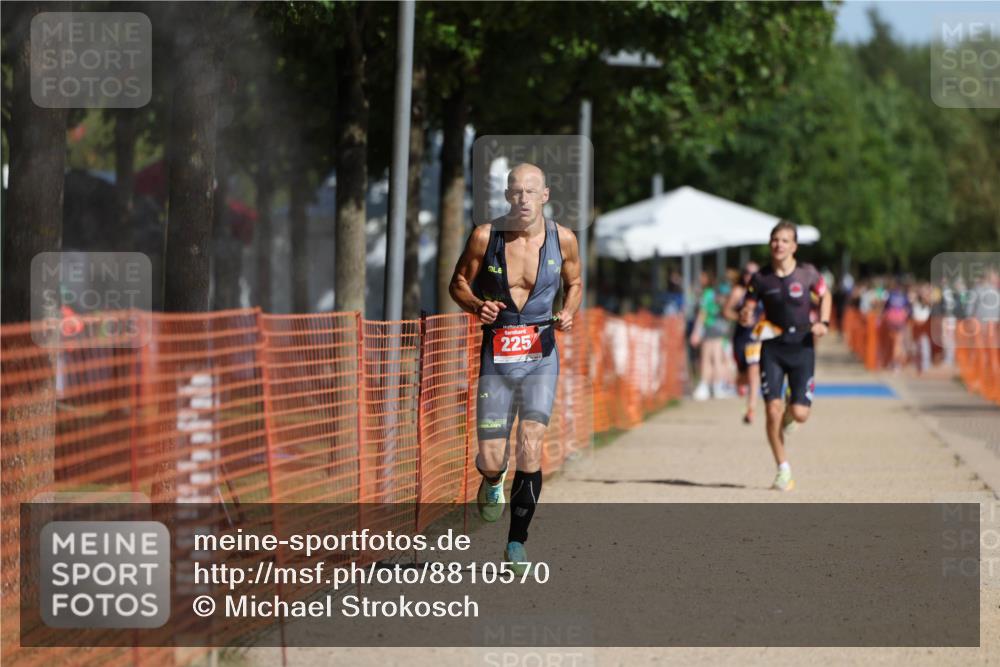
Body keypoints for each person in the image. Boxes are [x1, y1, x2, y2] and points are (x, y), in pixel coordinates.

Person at [448, 163, 582, 572]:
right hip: (498, 354)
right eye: (516, 191)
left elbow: (575, 283)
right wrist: (477, 305)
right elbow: (458, 282)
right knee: (492, 457)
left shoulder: (564, 239)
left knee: (530, 442)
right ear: (508, 196)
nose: (524, 199)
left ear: (545, 195)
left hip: (541, 354)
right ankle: (492, 479)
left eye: (531, 191)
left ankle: (516, 543)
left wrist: (569, 311)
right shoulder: (485, 236)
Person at [741, 221, 832, 491]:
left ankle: (792, 412)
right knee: (772, 411)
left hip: (802, 346)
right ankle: (783, 470)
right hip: (773, 348)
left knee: (801, 414)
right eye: (775, 239)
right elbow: (748, 306)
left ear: (794, 246)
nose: (778, 245)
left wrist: (823, 322)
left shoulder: (807, 274)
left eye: (784, 240)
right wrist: (746, 315)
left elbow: (825, 296)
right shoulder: (761, 278)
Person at [724, 261, 762, 423]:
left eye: (753, 274)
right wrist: (739, 317)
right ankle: (740, 382)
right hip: (741, 338)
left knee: (754, 370)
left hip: (757, 338)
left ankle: (750, 410)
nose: (749, 276)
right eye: (747, 272)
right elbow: (726, 311)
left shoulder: (763, 291)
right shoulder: (738, 292)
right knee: (743, 375)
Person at [689, 270, 733, 400]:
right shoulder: (725, 292)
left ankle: (705, 385)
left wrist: (696, 331)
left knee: (707, 358)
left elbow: (702, 313)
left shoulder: (708, 293)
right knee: (718, 359)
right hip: (722, 328)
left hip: (710, 327)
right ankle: (717, 386)